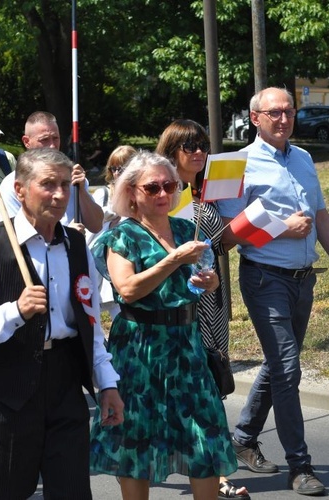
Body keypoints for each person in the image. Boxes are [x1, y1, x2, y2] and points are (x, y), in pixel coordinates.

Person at [0, 147, 124, 499]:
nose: (58, 195)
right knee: (1, 491)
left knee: (71, 490)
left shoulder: (75, 244)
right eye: (47, 185)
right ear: (20, 190)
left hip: (64, 381)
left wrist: (107, 383)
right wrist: (15, 311)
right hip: (2, 387)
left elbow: (89, 324)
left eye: (64, 185)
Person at [217, 87, 329, 496]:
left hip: (303, 278)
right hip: (263, 277)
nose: (284, 119)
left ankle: (242, 438)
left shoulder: (305, 158)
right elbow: (223, 237)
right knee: (288, 366)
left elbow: (320, 214)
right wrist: (279, 227)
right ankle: (300, 466)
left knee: (278, 365)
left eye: (289, 111)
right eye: (274, 113)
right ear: (255, 118)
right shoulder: (235, 164)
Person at [88, 151, 236, 499]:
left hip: (186, 344)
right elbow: (127, 289)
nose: (163, 194)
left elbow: (203, 279)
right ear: (132, 192)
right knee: (136, 438)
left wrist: (210, 281)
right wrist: (174, 259)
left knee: (205, 435)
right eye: (152, 187)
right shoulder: (122, 236)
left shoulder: (187, 229)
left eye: (169, 185)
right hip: (141, 347)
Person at [155, 120, 248, 499]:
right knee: (195, 389)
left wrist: (247, 224)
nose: (198, 151)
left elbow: (216, 244)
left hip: (209, 296)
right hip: (178, 300)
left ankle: (198, 463)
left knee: (207, 380)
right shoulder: (162, 192)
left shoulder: (205, 191)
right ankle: (212, 470)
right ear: (172, 148)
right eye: (189, 145)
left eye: (203, 145)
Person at [0, 111, 103, 234]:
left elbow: (96, 226)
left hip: (72, 251)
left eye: (55, 138)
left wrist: (81, 191)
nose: (52, 146)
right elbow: (12, 234)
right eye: (45, 139)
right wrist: (68, 234)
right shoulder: (12, 184)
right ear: (27, 141)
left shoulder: (74, 178)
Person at [90, 145, 136, 319]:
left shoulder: (140, 194)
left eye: (122, 168)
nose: (117, 173)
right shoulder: (103, 194)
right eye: (113, 168)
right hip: (104, 260)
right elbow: (92, 225)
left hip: (131, 258)